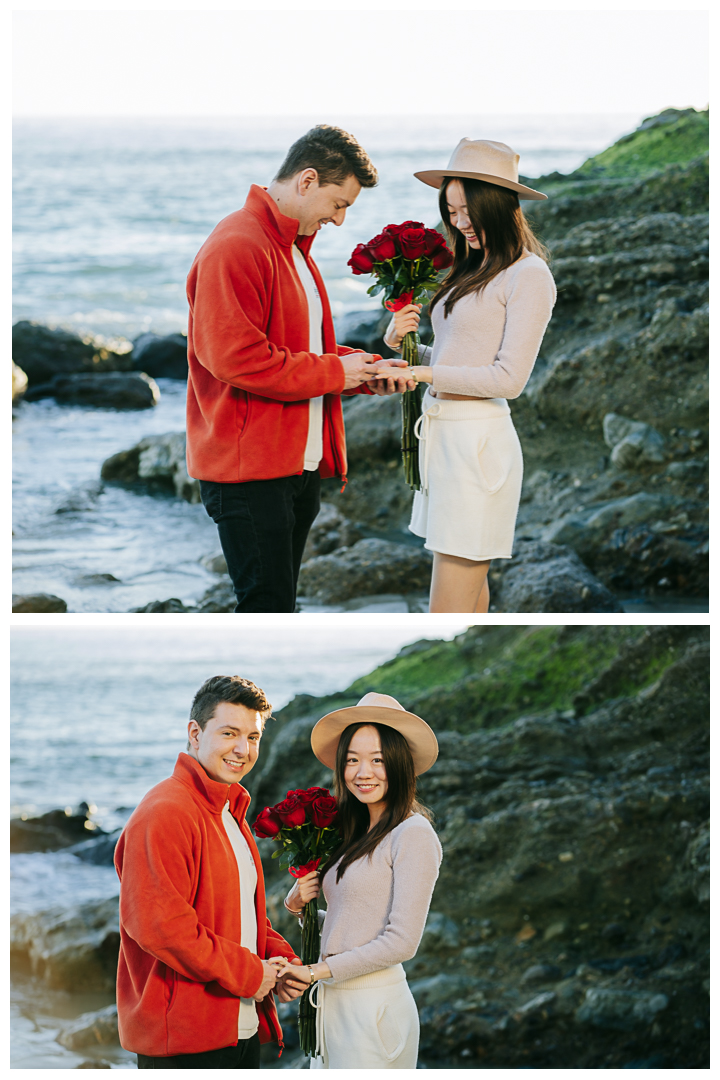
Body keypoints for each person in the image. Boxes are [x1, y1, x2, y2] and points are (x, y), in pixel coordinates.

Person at [185, 125, 411, 613]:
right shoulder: (237, 244)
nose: (340, 219)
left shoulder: (292, 248)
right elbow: (235, 358)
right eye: (338, 203)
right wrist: (337, 374)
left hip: (294, 466)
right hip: (248, 472)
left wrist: (367, 369)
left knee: (280, 605)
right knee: (266, 606)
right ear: (307, 181)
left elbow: (302, 348)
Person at [376, 138, 557, 613]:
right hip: (446, 442)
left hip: (478, 448)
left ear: (497, 204)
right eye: (450, 211)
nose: (458, 223)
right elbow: (460, 355)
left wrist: (422, 373)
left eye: (466, 211)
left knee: (446, 608)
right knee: (470, 601)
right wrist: (402, 345)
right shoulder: (472, 268)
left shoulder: (529, 275)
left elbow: (507, 379)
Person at [114, 676, 307, 1069]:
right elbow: (161, 926)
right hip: (184, 1043)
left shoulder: (229, 810)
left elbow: (237, 916)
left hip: (239, 1029)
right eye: (230, 733)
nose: (242, 749)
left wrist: (279, 960)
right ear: (195, 733)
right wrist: (253, 974)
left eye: (253, 737)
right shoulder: (165, 812)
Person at [275, 692, 442, 1069]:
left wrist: (314, 971)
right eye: (352, 760)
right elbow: (349, 926)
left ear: (400, 764)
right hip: (334, 1003)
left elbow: (401, 941)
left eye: (378, 760)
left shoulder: (412, 834)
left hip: (373, 1008)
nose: (362, 772)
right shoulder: (353, 831)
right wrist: (299, 906)